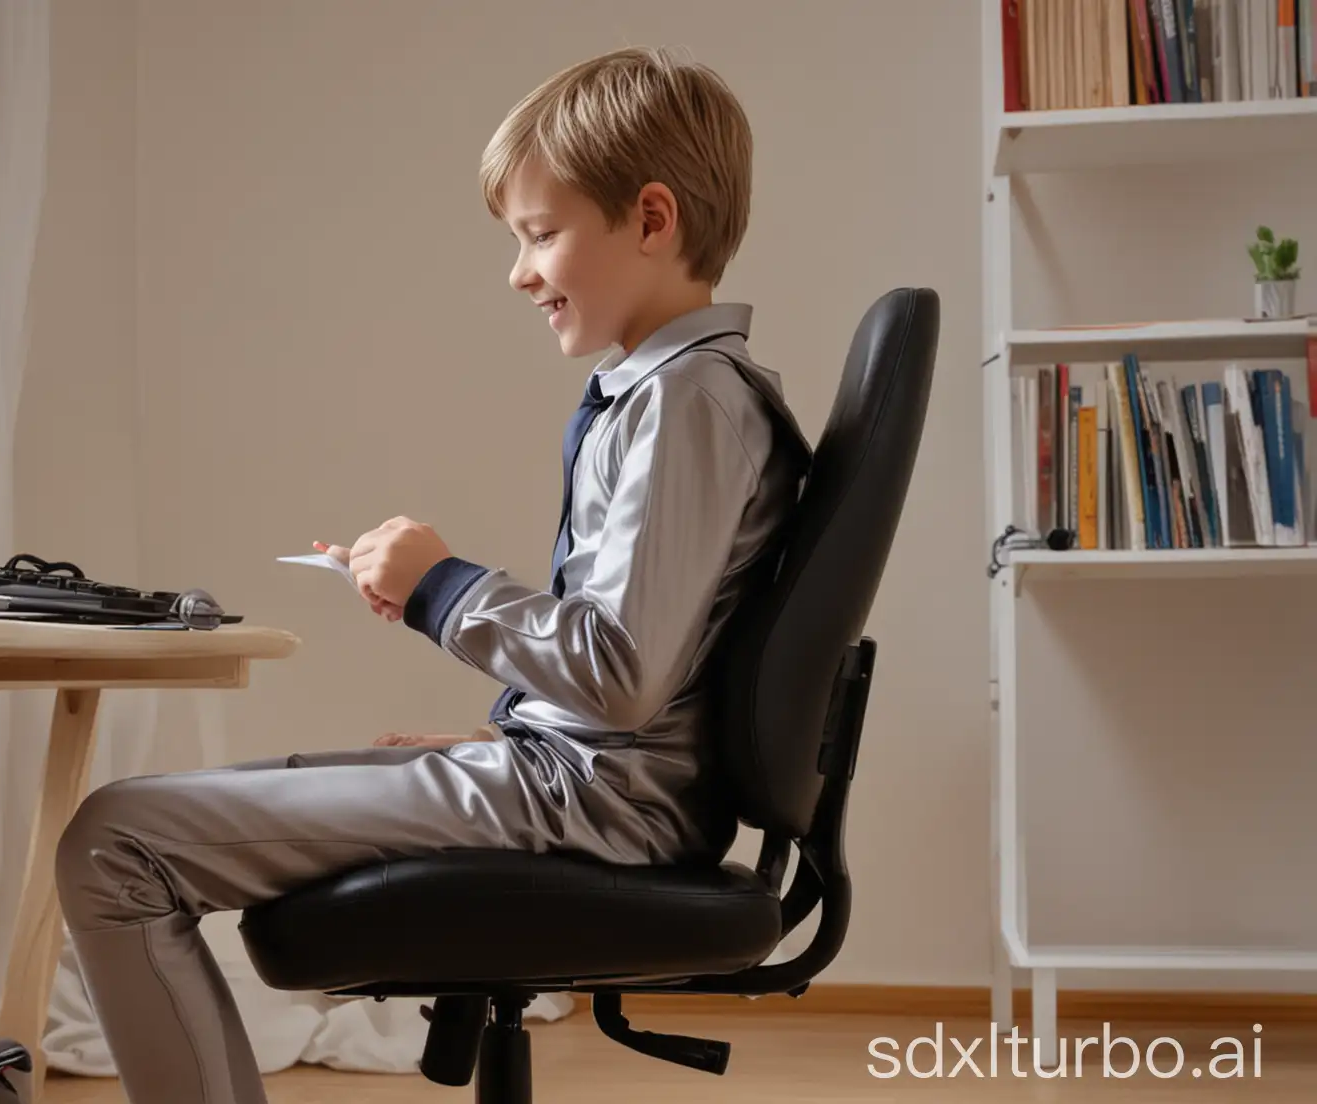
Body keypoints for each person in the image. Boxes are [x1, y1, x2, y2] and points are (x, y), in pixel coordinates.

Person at [52, 45, 810, 1104]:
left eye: (541, 235)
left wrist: (439, 586)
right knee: (152, 820)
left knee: (113, 843)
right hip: (588, 783)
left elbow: (625, 671)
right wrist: (508, 736)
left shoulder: (686, 402)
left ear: (650, 219)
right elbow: (651, 680)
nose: (520, 271)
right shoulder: (675, 395)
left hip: (596, 807)